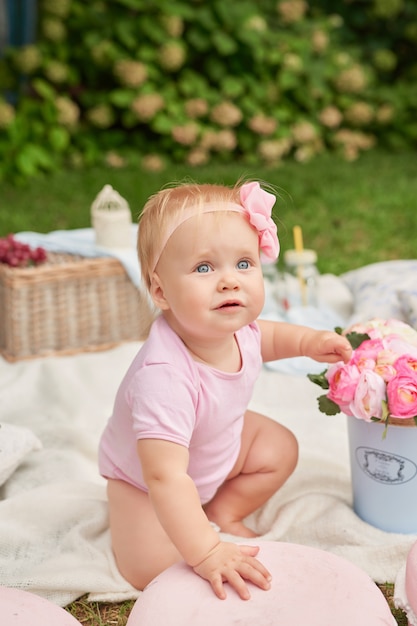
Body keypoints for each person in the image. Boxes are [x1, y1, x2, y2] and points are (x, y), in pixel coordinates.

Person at [98, 179, 352, 601]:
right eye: (203, 268)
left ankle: (223, 510)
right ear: (160, 291)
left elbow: (266, 337)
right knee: (151, 570)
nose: (230, 281)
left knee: (278, 447)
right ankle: (201, 528)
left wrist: (308, 343)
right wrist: (207, 551)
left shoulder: (239, 329)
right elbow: (164, 476)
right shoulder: (163, 377)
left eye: (244, 264)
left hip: (214, 445)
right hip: (146, 483)